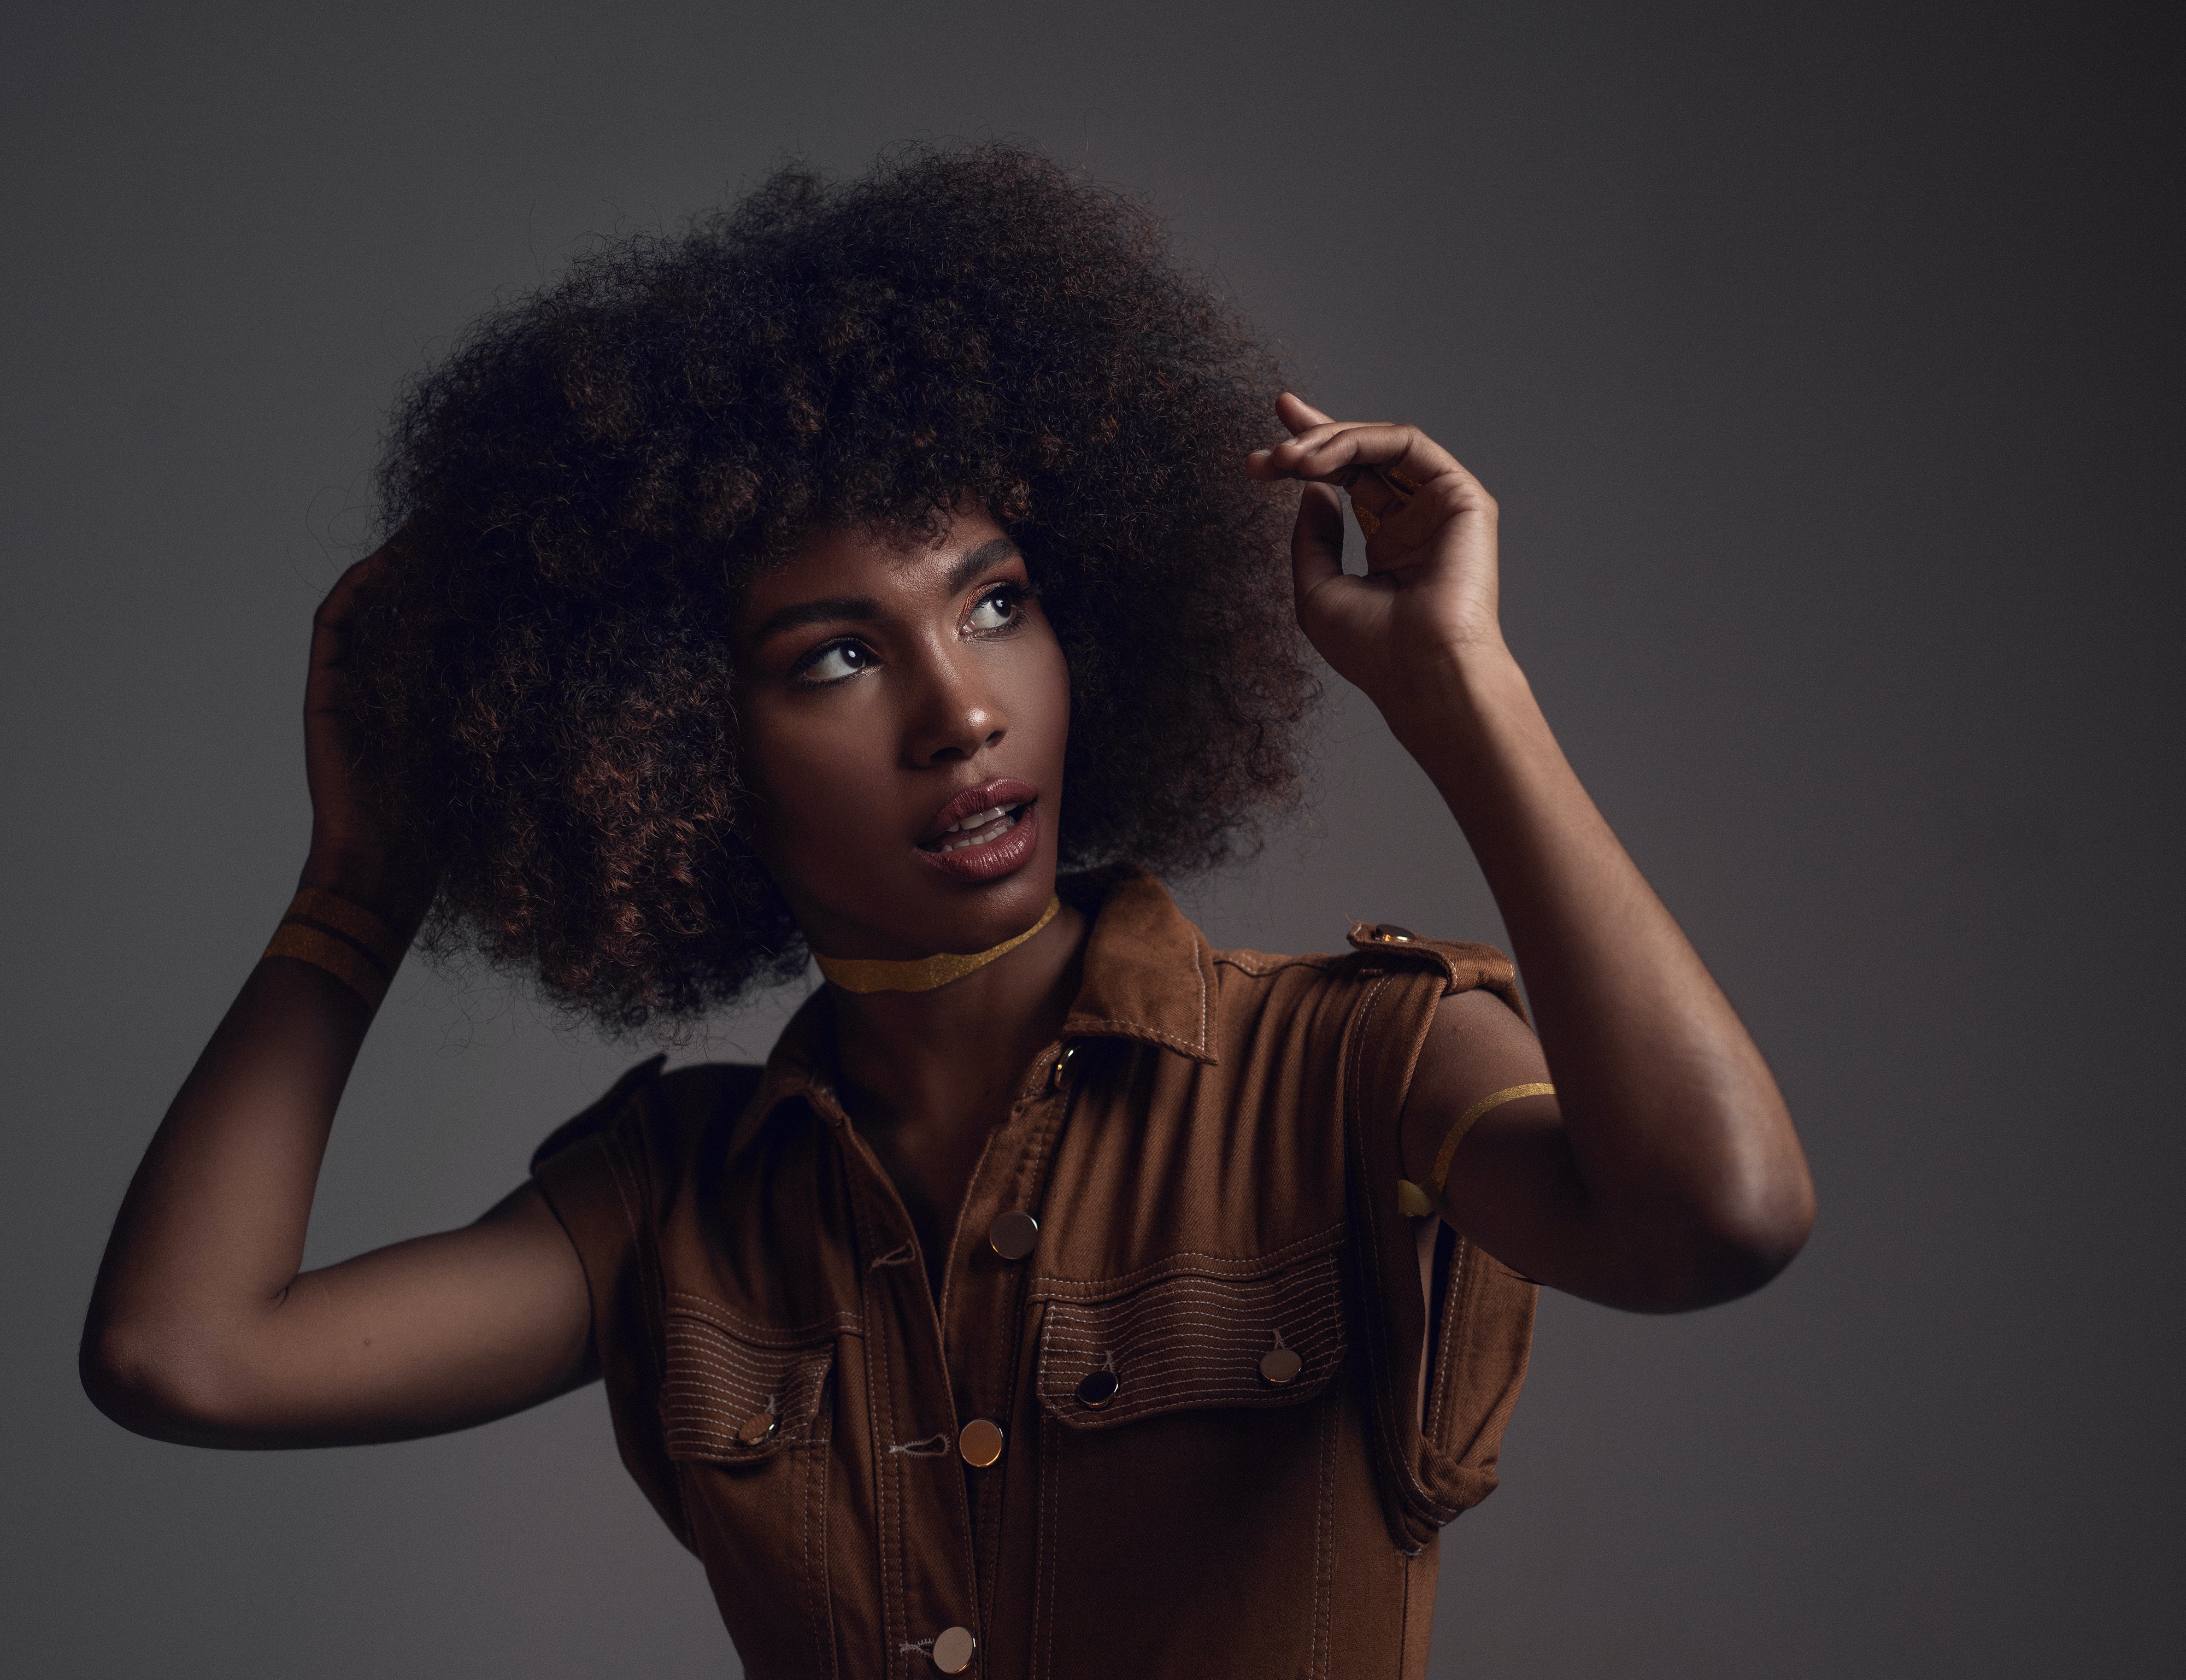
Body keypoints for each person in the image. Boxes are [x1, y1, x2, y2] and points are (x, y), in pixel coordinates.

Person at [80, 145, 1813, 1678]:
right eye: (838, 654)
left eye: (995, 604)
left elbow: (1715, 1221)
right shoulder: (674, 1206)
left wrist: (1459, 688)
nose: (960, 708)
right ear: (673, 743)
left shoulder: (1361, 1068)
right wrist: (364, 882)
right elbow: (185, 1352)